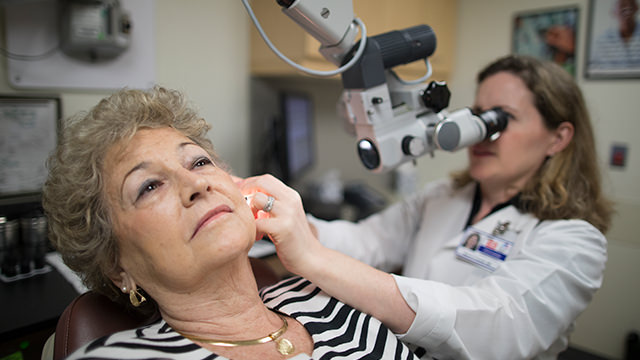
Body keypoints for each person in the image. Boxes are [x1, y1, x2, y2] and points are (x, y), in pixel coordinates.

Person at [238, 55, 614, 359]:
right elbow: (367, 241)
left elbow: (497, 329)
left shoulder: (576, 241)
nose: (481, 132)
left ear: (558, 138)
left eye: (502, 118)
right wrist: (281, 217)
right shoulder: (443, 195)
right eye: (479, 114)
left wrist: (314, 259)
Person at [41, 86, 424, 359]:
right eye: (150, 186)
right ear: (115, 265)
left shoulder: (328, 298)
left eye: (199, 161)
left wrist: (315, 256)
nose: (196, 183)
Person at [589, 0, 640, 71]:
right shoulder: (601, 42)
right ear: (613, 12)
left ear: (637, 7)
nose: (627, 9)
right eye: (622, 5)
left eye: (630, 4)